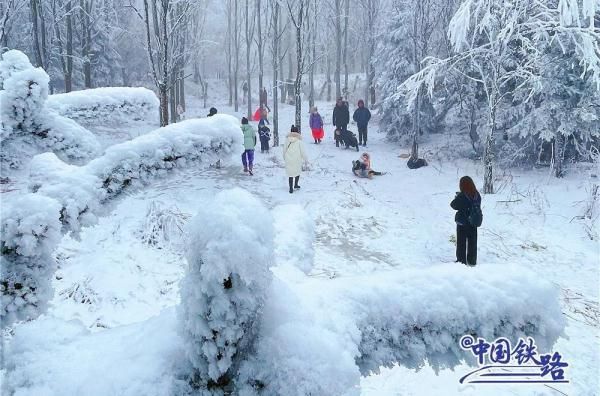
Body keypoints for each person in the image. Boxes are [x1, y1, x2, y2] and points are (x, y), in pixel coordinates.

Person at [450, 176, 482, 266]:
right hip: (473, 221)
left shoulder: (462, 195)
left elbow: (453, 205)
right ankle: (472, 260)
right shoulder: (477, 194)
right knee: (473, 242)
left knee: (461, 243)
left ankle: (461, 261)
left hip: (463, 222)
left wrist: (457, 197)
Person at [283, 125, 308, 194]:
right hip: (297, 159)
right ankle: (296, 185)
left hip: (288, 159)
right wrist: (306, 159)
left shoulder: (287, 140)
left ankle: (291, 188)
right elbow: (302, 152)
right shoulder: (299, 141)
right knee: (297, 172)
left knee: (290, 174)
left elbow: (284, 150)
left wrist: (285, 158)